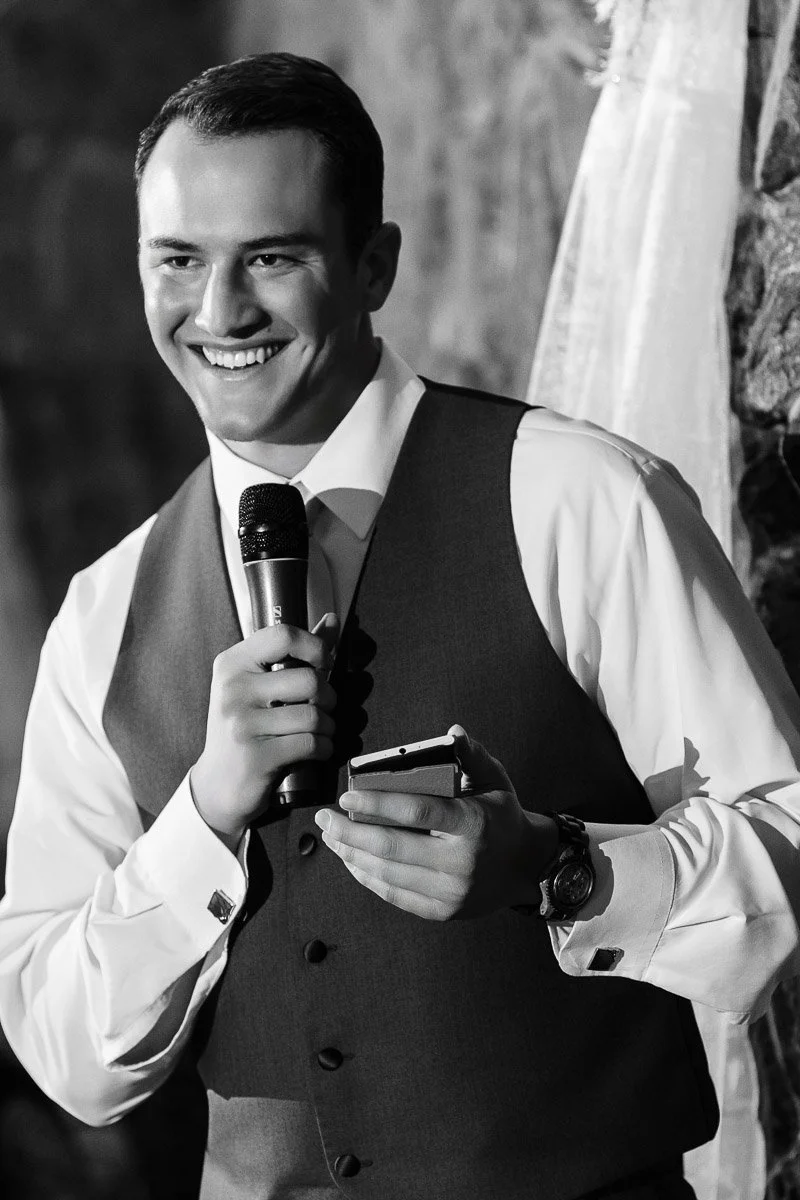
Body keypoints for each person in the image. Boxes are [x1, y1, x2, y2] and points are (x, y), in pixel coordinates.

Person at [1, 51, 800, 1200]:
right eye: (178, 260)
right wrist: (200, 817)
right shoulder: (101, 613)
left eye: (271, 258)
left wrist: (562, 868)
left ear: (374, 266)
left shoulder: (578, 499)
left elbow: (783, 842)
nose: (218, 312)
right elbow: (71, 1060)